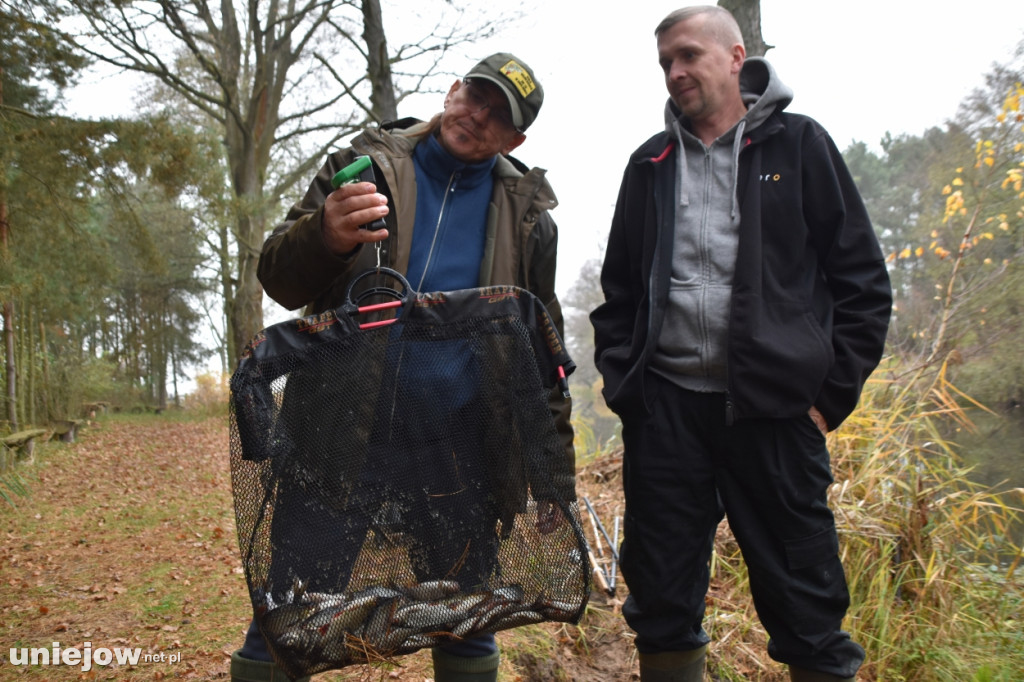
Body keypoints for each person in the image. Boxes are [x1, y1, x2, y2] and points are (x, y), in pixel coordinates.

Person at [229, 52, 573, 682]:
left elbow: (540, 350)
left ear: (515, 140)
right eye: (476, 96)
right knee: (288, 617)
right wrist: (327, 235)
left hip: (459, 451)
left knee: (465, 619)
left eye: (499, 116)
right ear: (453, 90)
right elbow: (278, 275)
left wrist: (553, 471)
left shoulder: (529, 221)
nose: (478, 116)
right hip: (339, 434)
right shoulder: (364, 168)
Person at [590, 7, 892, 682]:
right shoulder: (649, 163)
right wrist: (628, 391)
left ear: (736, 57)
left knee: (807, 606)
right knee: (661, 600)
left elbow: (863, 283)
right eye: (666, 61)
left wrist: (827, 398)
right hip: (666, 413)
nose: (675, 72)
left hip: (776, 414)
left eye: (689, 55)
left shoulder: (800, 146)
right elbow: (620, 295)